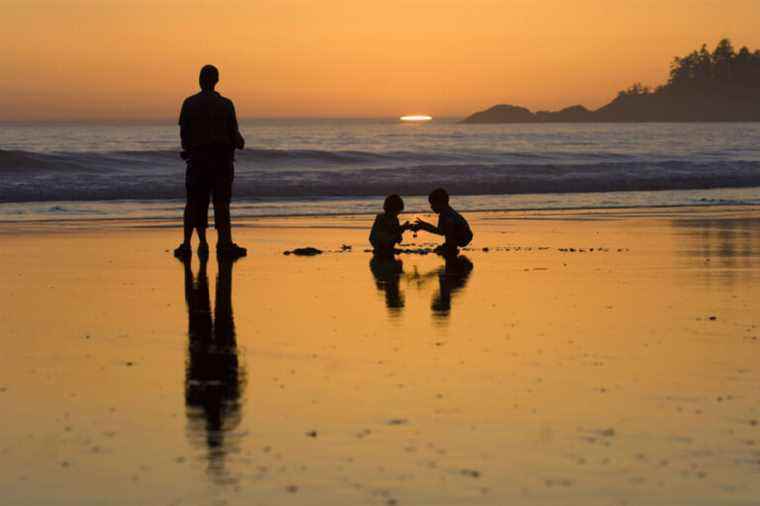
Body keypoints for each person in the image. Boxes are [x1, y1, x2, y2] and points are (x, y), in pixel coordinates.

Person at [174, 64, 247, 259]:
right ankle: (224, 244)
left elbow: (184, 135)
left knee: (194, 203)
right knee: (222, 203)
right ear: (216, 81)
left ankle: (188, 244)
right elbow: (234, 134)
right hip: (222, 161)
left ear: (200, 80)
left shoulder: (189, 103)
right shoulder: (226, 104)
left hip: (197, 161)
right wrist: (239, 142)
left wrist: (189, 150)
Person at [414, 188, 473, 255]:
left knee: (449, 224)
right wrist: (424, 226)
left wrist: (449, 245)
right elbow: (440, 231)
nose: (431, 207)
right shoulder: (444, 213)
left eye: (433, 204)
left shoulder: (448, 214)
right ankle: (450, 245)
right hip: (465, 236)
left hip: (463, 236)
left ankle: (450, 246)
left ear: (441, 203)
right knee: (449, 226)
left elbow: (443, 231)